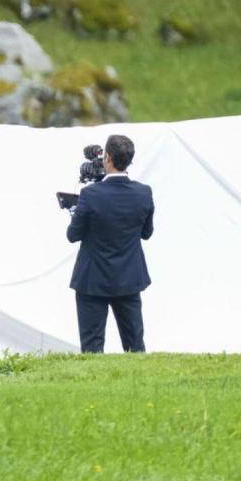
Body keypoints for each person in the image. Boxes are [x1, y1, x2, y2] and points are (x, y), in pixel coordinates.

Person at [67, 134, 154, 353]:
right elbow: (146, 233)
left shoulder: (89, 195)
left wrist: (75, 212)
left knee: (92, 348)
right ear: (129, 160)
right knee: (135, 345)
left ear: (107, 157)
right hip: (129, 278)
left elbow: (73, 235)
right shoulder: (144, 193)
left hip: (92, 279)